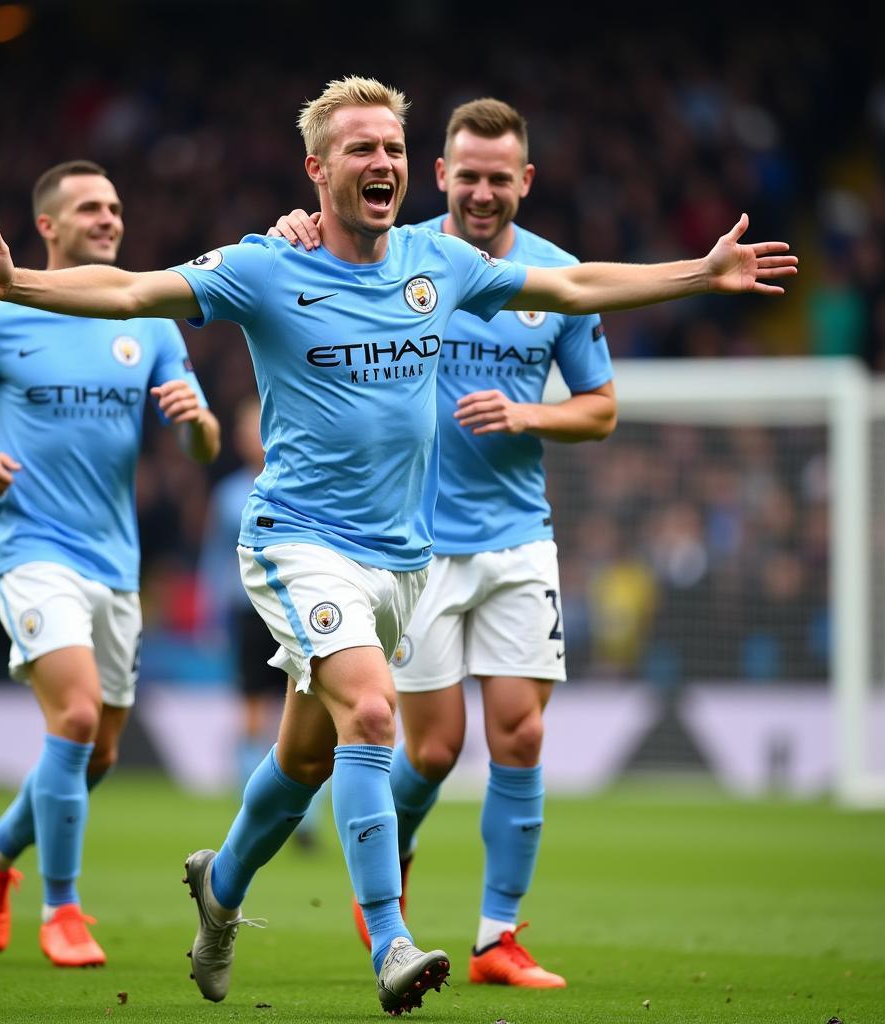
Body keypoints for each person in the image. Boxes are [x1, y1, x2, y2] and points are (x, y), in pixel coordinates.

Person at [0, 77, 796, 1014]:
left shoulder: (439, 262)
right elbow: (136, 288)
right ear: (317, 169)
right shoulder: (265, 266)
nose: (381, 164)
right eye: (359, 150)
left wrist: (699, 274)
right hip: (298, 544)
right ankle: (391, 939)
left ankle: (220, 891)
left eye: (392, 151)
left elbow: (574, 283)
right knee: (373, 718)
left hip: (402, 562)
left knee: (304, 760)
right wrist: (20, 284)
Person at [272, 96, 615, 989]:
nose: (483, 191)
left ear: (524, 181)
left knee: (521, 731)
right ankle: (395, 846)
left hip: (517, 536)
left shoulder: (552, 278)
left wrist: (529, 412)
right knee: (429, 750)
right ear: (441, 176)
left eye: (501, 177)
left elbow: (602, 407)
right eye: (468, 175)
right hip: (410, 546)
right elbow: (313, 274)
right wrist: (297, 226)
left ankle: (498, 937)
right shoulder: (400, 255)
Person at [0, 160, 220, 968]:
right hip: (31, 549)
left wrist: (195, 424)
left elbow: (203, 443)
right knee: (76, 720)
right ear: (48, 227)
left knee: (101, 753)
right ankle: (63, 908)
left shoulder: (147, 319)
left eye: (115, 206)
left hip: (116, 563)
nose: (109, 218)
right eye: (89, 207)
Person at [199, 395, 327, 848]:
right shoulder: (228, 494)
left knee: (311, 713)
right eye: (246, 430)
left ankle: (305, 822)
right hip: (247, 612)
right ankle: (252, 811)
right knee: (253, 715)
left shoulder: (304, 484)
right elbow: (214, 559)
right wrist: (211, 612)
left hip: (296, 607)